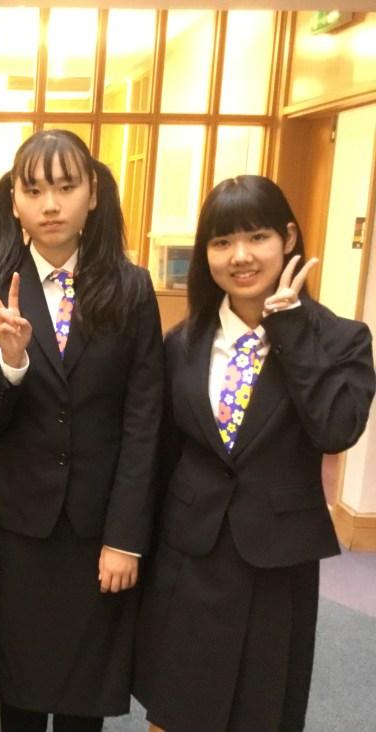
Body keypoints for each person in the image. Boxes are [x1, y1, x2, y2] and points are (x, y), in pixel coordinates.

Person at [133, 174, 375, 732]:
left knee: (260, 712)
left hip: (277, 560)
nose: (240, 256)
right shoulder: (182, 343)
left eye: (257, 237)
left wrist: (288, 329)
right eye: (222, 242)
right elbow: (162, 454)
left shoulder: (341, 338)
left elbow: (336, 429)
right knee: (174, 708)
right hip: (191, 550)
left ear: (287, 238)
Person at [0, 129, 163, 732]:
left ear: (93, 193)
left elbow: (143, 421)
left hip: (97, 530)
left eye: (66, 187)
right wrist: (11, 364)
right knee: (19, 696)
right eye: (34, 190)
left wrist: (126, 537)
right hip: (16, 530)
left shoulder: (131, 287)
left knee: (85, 699)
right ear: (14, 202)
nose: (50, 205)